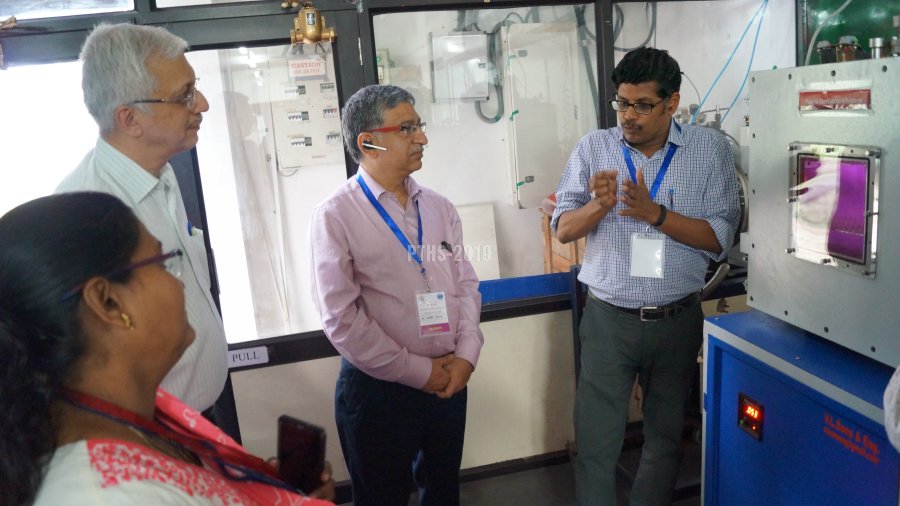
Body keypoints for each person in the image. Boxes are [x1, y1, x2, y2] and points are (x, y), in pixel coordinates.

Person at [0, 192, 335, 506]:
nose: (179, 282)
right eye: (162, 263)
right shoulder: (109, 496)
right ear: (109, 302)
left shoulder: (133, 423)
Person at [552, 47, 740, 505]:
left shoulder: (709, 150)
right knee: (595, 444)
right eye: (621, 102)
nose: (628, 116)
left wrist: (655, 214)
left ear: (671, 103)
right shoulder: (594, 148)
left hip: (676, 320)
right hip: (608, 321)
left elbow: (720, 237)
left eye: (641, 105)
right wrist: (599, 206)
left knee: (665, 440)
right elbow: (563, 229)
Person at [309, 84, 484, 506]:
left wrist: (466, 355)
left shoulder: (439, 208)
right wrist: (419, 372)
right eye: (407, 128)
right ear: (368, 142)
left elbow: (465, 284)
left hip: (448, 380)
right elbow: (341, 319)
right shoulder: (335, 216)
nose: (422, 137)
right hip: (379, 392)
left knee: (443, 493)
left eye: (419, 126)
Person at [56, 23, 226, 414]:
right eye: (184, 95)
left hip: (197, 415)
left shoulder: (162, 171)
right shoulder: (88, 213)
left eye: (195, 87)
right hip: (149, 428)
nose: (201, 104)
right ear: (130, 119)